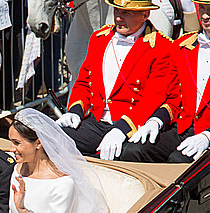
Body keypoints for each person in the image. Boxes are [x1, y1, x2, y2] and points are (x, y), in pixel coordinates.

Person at [120, 0, 210, 162]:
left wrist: (208, 137)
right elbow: (174, 98)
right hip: (182, 126)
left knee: (178, 162)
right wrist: (155, 121)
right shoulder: (181, 46)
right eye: (202, 8)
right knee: (132, 150)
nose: (205, 15)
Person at [55, 0, 175, 162]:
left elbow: (153, 97)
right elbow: (83, 82)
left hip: (132, 124)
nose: (119, 18)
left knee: (128, 154)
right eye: (117, 11)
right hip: (96, 121)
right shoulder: (99, 38)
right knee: (52, 139)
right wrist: (75, 111)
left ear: (145, 14)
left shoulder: (162, 47)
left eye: (127, 13)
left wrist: (122, 129)